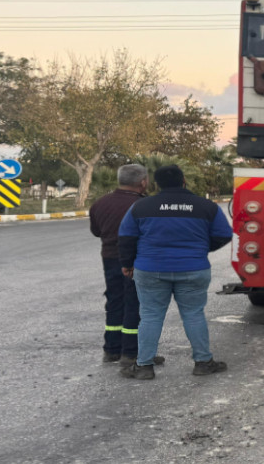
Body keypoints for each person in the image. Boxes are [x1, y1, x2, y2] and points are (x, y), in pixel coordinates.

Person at [117, 164, 233, 380]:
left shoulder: (141, 207)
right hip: (193, 268)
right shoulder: (206, 206)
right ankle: (203, 362)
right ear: (183, 181)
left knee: (150, 316)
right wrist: (201, 248)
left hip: (150, 269)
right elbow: (224, 234)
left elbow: (126, 238)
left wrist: (127, 263)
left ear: (156, 184)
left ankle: (144, 367)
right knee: (193, 314)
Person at [88, 163, 163, 367]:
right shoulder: (147, 205)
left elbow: (96, 231)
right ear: (143, 182)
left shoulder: (100, 203)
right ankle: (133, 352)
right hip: (138, 260)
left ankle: (111, 349)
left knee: (114, 301)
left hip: (110, 258)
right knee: (136, 305)